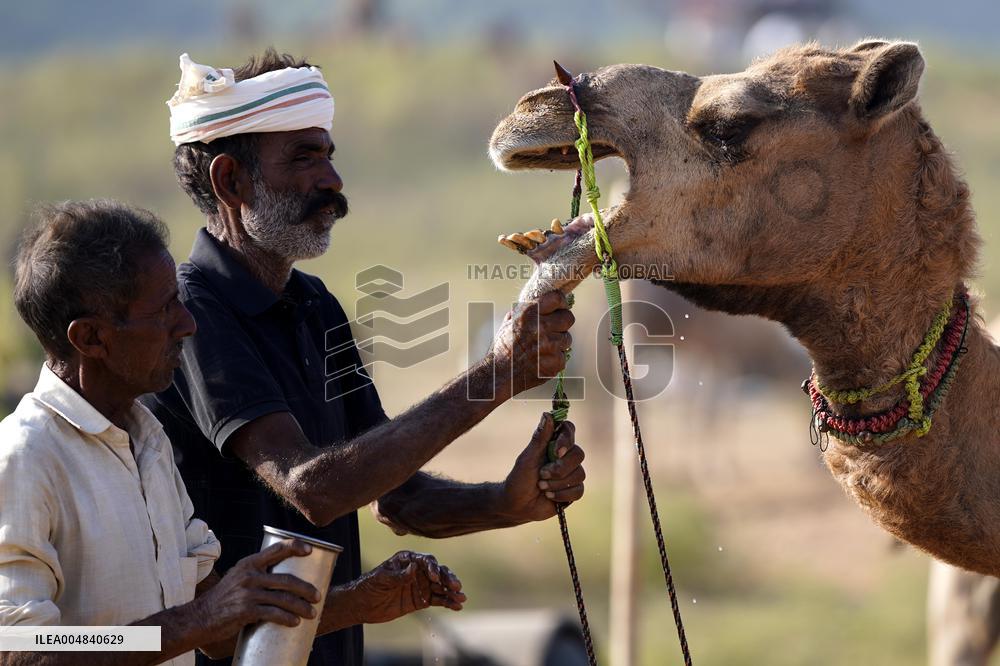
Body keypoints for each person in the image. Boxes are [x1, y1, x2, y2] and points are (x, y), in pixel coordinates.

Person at [145, 50, 585, 665]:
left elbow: (392, 495)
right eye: (303, 157)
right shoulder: (192, 315)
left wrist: (503, 504)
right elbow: (314, 489)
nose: (331, 180)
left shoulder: (314, 304)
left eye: (329, 155)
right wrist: (498, 374)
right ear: (231, 181)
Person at [0, 200, 465, 666]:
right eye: (163, 311)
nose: (187, 323)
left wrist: (359, 602)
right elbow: (22, 651)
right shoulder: (24, 458)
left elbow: (219, 635)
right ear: (91, 339)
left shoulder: (147, 441)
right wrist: (198, 619)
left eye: (178, 302)